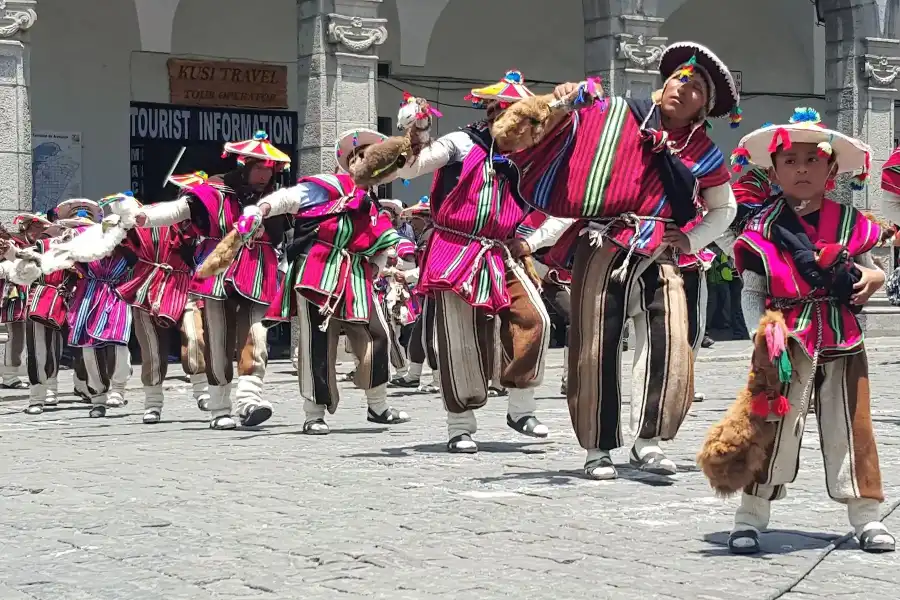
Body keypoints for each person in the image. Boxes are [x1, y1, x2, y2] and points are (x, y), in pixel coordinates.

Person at [490, 42, 739, 478]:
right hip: (604, 239)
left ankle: (650, 441)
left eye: (696, 86)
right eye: (678, 77)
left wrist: (693, 238)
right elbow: (543, 135)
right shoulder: (614, 114)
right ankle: (597, 448)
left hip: (663, 251)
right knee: (595, 343)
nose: (683, 87)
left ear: (704, 107)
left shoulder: (704, 152)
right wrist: (559, 102)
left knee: (671, 341)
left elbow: (725, 209)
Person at [698, 107, 895, 554]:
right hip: (782, 342)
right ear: (774, 170)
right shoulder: (760, 227)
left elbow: (870, 269)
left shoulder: (850, 221)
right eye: (790, 161)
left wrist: (876, 279)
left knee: (851, 426)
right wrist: (759, 337)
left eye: (812, 160)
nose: (801, 169)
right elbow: (752, 291)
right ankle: (750, 516)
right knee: (769, 423)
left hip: (844, 340)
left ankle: (866, 515)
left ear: (830, 169)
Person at [348, 72, 573, 453]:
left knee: (535, 318)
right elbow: (411, 167)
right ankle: (460, 425)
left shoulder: (533, 157)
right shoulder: (461, 142)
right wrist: (415, 131)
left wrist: (531, 241)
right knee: (458, 338)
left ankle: (520, 408)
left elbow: (565, 207)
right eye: (503, 114)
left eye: (521, 116)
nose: (514, 123)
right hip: (455, 247)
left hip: (500, 250)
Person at [136, 132, 291, 430]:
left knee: (256, 335)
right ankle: (219, 407)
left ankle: (249, 399)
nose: (264, 175)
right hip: (218, 269)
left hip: (259, 270)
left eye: (270, 170)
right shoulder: (213, 191)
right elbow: (179, 211)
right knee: (217, 338)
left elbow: (289, 228)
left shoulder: (275, 199)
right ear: (245, 166)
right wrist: (144, 217)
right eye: (260, 168)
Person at [117, 176, 213, 424]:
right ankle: (153, 403)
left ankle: (202, 391)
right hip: (149, 284)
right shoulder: (150, 216)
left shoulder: (206, 224)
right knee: (151, 348)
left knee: (194, 336)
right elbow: (121, 242)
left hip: (186, 284)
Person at [57, 199, 133, 417]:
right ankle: (98, 396)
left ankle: (118, 389)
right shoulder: (85, 248)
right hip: (89, 297)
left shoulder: (128, 252)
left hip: (118, 295)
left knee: (119, 341)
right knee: (89, 347)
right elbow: (68, 263)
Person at [14, 211, 74, 414]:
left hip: (59, 300)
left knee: (53, 347)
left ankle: (52, 389)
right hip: (37, 298)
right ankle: (36, 397)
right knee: (36, 348)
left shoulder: (76, 250)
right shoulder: (38, 247)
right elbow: (20, 270)